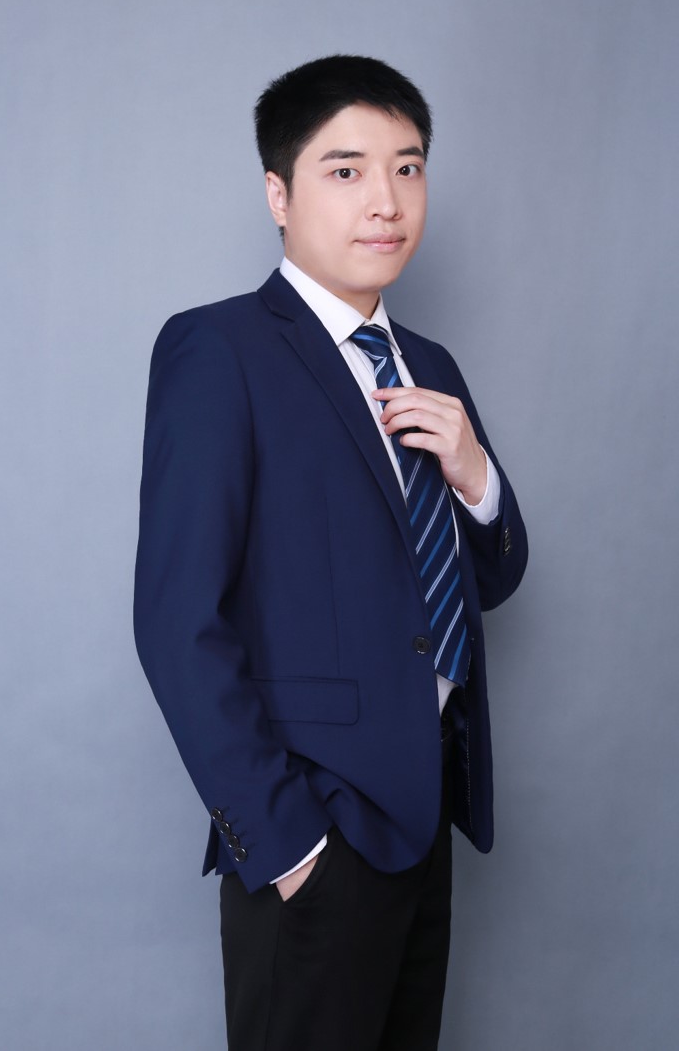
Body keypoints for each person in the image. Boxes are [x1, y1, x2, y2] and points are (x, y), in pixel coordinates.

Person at [134, 54, 528, 1051]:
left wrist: (476, 474)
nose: (385, 200)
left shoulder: (429, 365)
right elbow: (176, 622)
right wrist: (284, 844)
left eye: (407, 167)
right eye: (346, 170)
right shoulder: (218, 350)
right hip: (315, 825)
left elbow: (487, 579)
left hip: (428, 815)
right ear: (279, 194)